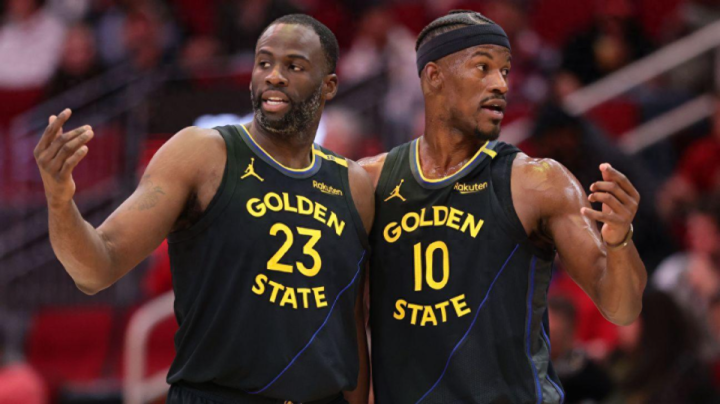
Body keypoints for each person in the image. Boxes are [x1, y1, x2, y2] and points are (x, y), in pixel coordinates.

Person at [33, 14, 373, 404]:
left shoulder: (353, 185)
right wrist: (59, 202)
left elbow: (350, 325)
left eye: (293, 66)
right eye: (264, 62)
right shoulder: (201, 154)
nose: (274, 76)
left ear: (329, 85)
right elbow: (96, 268)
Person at [360, 10, 646, 404]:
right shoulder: (370, 183)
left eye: (505, 71)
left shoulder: (539, 182)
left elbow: (622, 308)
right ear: (434, 77)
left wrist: (619, 240)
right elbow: (345, 322)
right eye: (483, 67)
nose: (501, 84)